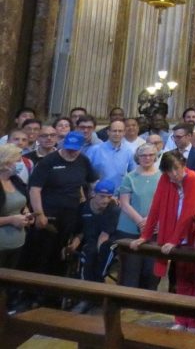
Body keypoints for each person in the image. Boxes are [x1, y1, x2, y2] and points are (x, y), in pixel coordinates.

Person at [129, 151, 195, 331]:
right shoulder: (166, 180)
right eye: (169, 171)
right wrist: (145, 235)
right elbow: (156, 207)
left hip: (194, 234)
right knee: (180, 279)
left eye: (177, 169)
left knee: (194, 280)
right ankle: (182, 320)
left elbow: (189, 213)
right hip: (176, 233)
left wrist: (174, 240)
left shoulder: (194, 179)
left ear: (183, 165)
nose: (174, 174)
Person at [24, 131, 97, 279]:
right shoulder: (49, 161)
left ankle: (54, 293)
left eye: (75, 149)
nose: (71, 152)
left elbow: (93, 182)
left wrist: (96, 199)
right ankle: (32, 292)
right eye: (69, 149)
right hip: (49, 212)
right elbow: (35, 189)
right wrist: (39, 214)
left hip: (71, 214)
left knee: (62, 253)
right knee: (42, 252)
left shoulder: (83, 160)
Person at [68, 179, 120, 312]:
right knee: (87, 254)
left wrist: (96, 256)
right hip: (90, 240)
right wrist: (73, 245)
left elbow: (104, 236)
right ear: (93, 194)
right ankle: (87, 295)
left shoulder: (113, 210)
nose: (105, 200)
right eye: (102, 196)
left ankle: (96, 288)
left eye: (109, 197)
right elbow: (80, 232)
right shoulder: (83, 208)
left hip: (107, 241)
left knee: (102, 252)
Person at [115, 143, 162, 290]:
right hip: (130, 228)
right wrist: (141, 221)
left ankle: (147, 305)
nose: (147, 158)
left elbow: (165, 204)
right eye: (143, 155)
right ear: (138, 157)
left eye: (150, 155)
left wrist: (152, 222)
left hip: (155, 229)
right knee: (130, 269)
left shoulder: (163, 177)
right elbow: (124, 203)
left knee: (151, 270)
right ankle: (128, 307)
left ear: (155, 157)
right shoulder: (130, 177)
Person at [0, 144, 32, 269]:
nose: (21, 163)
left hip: (17, 243)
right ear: (6, 162)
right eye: (18, 161)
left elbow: (22, 203)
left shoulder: (15, 180)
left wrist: (27, 213)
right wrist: (11, 220)